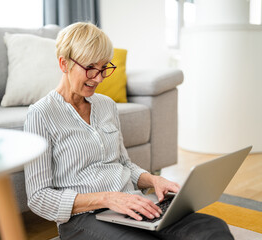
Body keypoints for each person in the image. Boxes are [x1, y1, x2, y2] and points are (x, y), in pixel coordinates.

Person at [24, 22, 233, 240]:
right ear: (64, 64)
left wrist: (153, 180)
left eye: (104, 68)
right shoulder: (41, 114)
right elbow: (39, 198)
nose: (98, 78)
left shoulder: (106, 105)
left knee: (212, 229)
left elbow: (124, 164)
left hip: (131, 205)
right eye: (90, 68)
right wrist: (107, 199)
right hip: (83, 220)